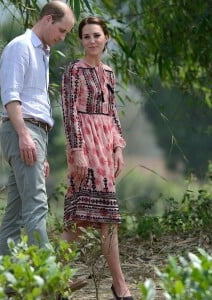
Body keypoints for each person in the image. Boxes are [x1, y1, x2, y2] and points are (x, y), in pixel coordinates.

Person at [61, 16, 134, 300]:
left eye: (96, 35)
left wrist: (118, 147)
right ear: (81, 40)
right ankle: (53, 280)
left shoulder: (110, 72)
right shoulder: (74, 71)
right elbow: (69, 112)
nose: (91, 40)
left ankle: (118, 284)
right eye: (86, 36)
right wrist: (77, 150)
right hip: (84, 146)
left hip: (105, 146)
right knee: (80, 220)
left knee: (106, 218)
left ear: (106, 39)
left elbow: (112, 113)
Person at [0, 1, 75, 255]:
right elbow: (10, 96)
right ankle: (50, 281)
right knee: (36, 204)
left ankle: (4, 282)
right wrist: (24, 136)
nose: (62, 38)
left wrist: (39, 148)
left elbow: (36, 103)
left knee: (16, 211)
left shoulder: (42, 52)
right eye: (62, 31)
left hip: (33, 133)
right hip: (23, 130)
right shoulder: (20, 47)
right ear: (48, 19)